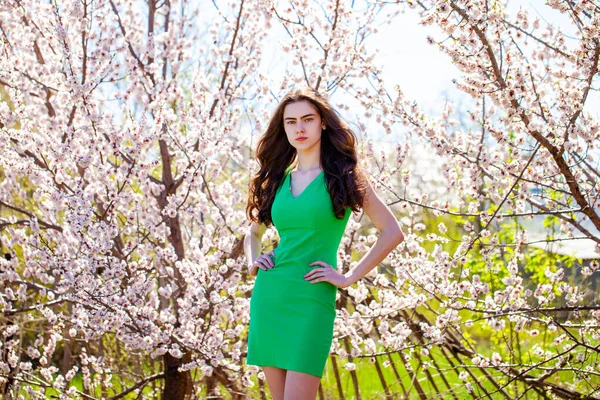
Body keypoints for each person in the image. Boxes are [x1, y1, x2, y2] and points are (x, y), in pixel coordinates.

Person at [244, 87, 404, 400]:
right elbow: (252, 232)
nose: (299, 128)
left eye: (307, 119)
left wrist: (348, 277)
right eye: (291, 122)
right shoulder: (275, 180)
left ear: (323, 124)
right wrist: (254, 261)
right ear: (284, 128)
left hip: (313, 297)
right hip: (271, 296)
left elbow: (392, 232)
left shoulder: (344, 176)